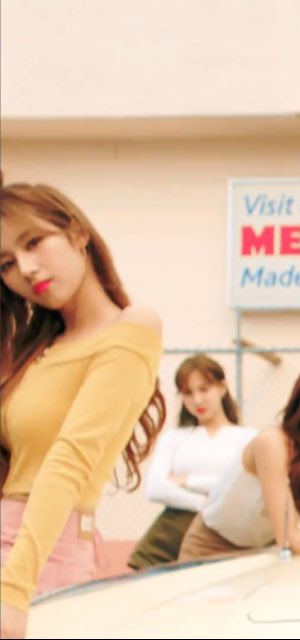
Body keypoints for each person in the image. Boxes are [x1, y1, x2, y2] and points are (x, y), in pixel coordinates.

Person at [0, 175, 165, 639]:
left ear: (77, 233)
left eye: (34, 242)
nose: (26, 269)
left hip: (37, 559)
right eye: (6, 263)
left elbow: (70, 457)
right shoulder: (34, 350)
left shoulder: (131, 329)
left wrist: (13, 589)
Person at [177, 358, 300, 561]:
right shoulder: (272, 444)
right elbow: (290, 541)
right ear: (299, 407)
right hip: (209, 549)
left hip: (262, 554)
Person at [128, 354, 254, 570]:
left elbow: (240, 486)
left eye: (204, 389)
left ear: (222, 388)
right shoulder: (174, 437)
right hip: (172, 531)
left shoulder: (247, 438)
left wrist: (187, 481)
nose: (197, 400)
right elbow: (154, 488)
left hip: (225, 533)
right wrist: (203, 503)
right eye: (188, 393)